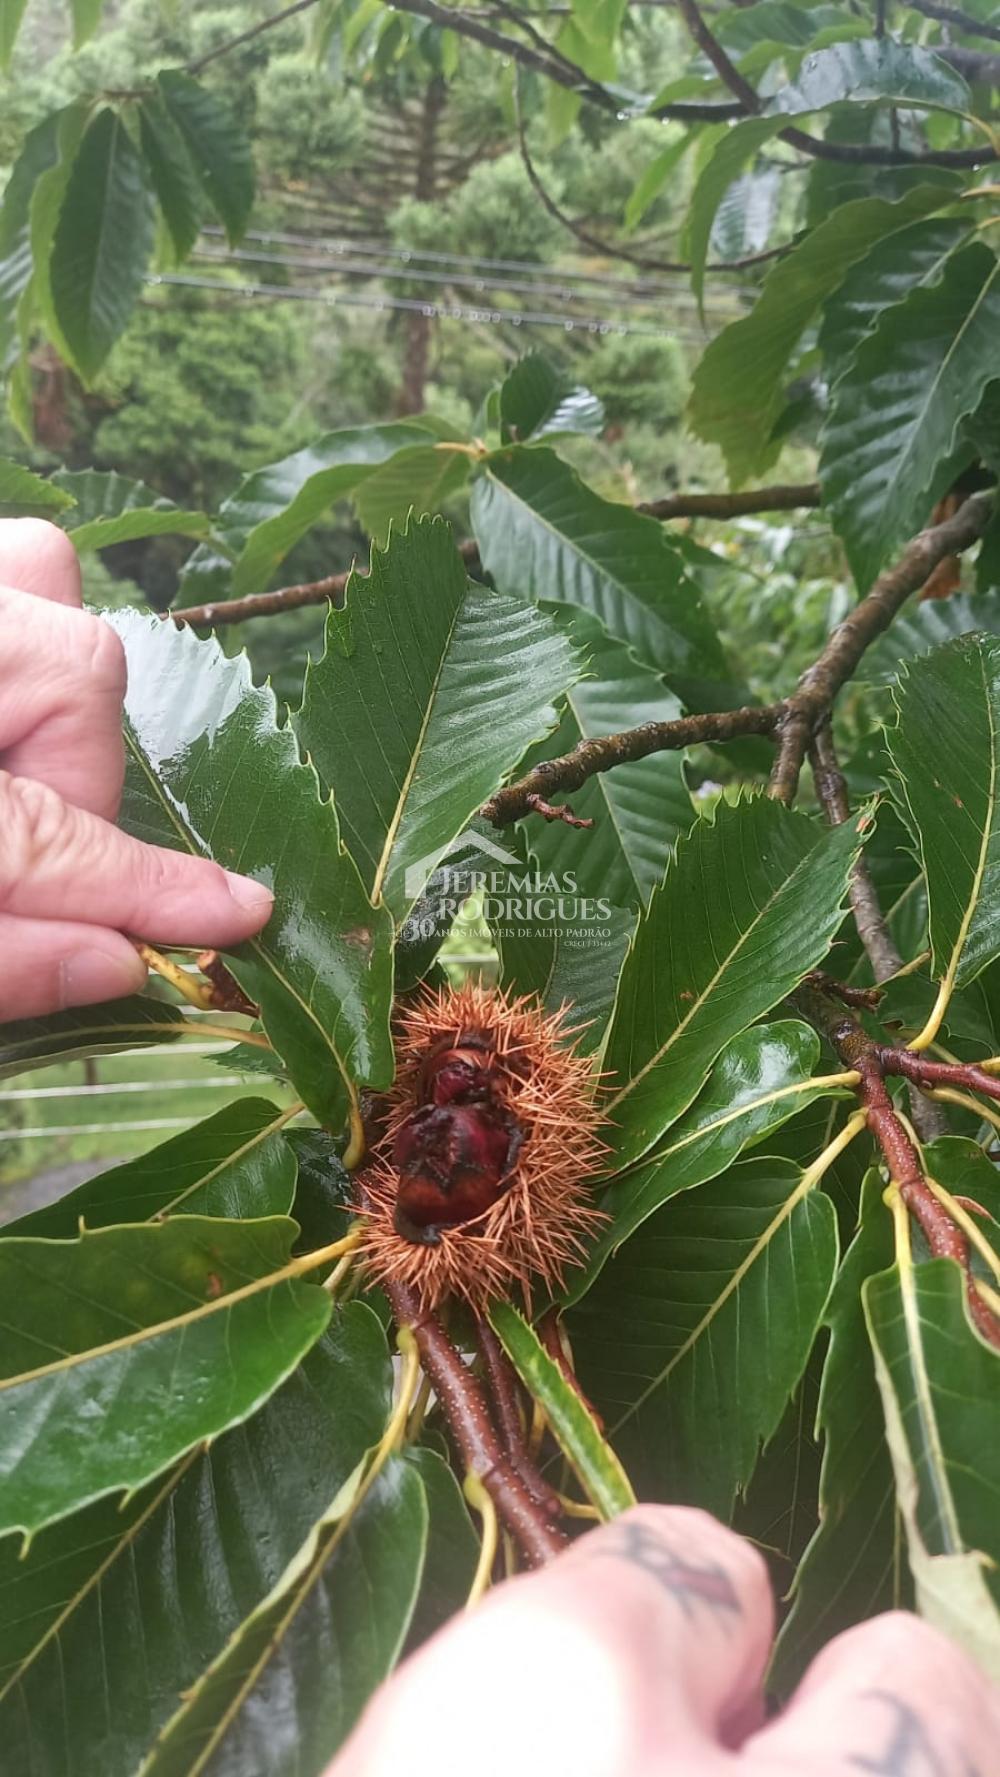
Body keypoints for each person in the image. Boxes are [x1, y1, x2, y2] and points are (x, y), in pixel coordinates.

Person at [3, 523, 997, 1775]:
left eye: (449, 1129)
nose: (442, 1132)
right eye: (450, 1135)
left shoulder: (483, 1125)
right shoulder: (434, 1147)